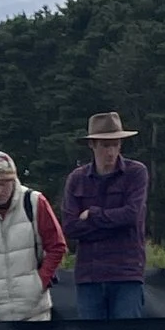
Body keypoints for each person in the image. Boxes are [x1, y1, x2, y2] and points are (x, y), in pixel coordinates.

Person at [0, 150, 66, 321]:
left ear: (13, 180)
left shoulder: (35, 202)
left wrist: (39, 282)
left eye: (3, 183)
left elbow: (57, 246)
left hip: (34, 311)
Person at [61, 111, 152, 316]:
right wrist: (114, 222)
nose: (111, 152)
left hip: (126, 273)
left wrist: (92, 215)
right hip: (89, 276)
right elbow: (70, 227)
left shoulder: (136, 172)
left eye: (115, 144)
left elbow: (131, 215)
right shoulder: (77, 179)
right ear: (92, 145)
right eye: (105, 145)